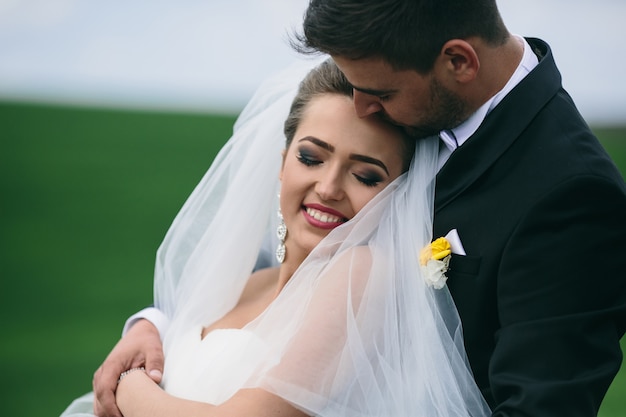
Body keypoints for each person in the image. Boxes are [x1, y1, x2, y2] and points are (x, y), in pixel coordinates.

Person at [63, 59, 491, 417]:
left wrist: (128, 381)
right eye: (311, 157)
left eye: (365, 175)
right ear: (283, 163)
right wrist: (148, 329)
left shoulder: (363, 274)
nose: (328, 187)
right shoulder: (248, 285)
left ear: (399, 194)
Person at [289, 1, 626, 416]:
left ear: (459, 62)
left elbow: (540, 406)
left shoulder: (571, 194)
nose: (362, 108)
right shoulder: (414, 112)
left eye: (382, 93)